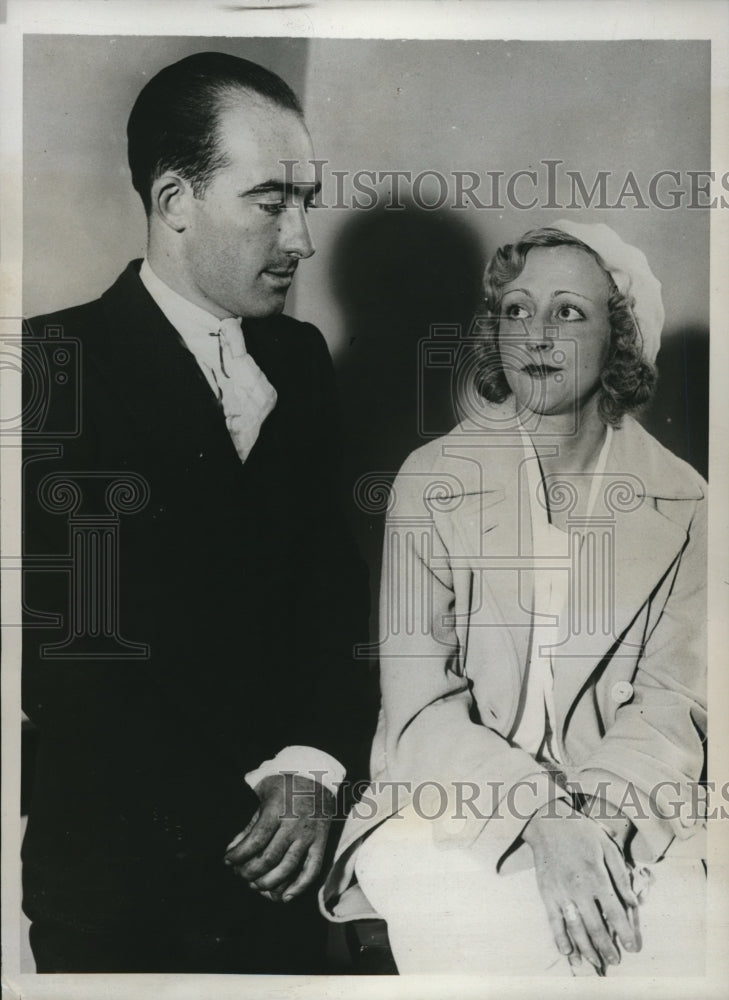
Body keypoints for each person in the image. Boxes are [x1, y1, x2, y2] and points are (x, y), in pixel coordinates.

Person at [22, 51, 368, 974]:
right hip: (123, 884)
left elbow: (333, 600)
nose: (300, 237)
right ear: (175, 201)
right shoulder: (49, 367)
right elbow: (69, 661)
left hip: (290, 870)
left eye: (308, 200)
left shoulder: (299, 360)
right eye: (269, 201)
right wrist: (255, 809)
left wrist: (313, 767)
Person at [321, 221, 707, 976]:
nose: (533, 333)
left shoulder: (688, 501)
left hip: (620, 800)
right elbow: (419, 707)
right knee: (480, 921)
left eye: (567, 312)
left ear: (619, 338)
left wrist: (586, 825)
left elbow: (671, 707)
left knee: (672, 924)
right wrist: (537, 819)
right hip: (448, 796)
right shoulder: (431, 480)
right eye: (514, 310)